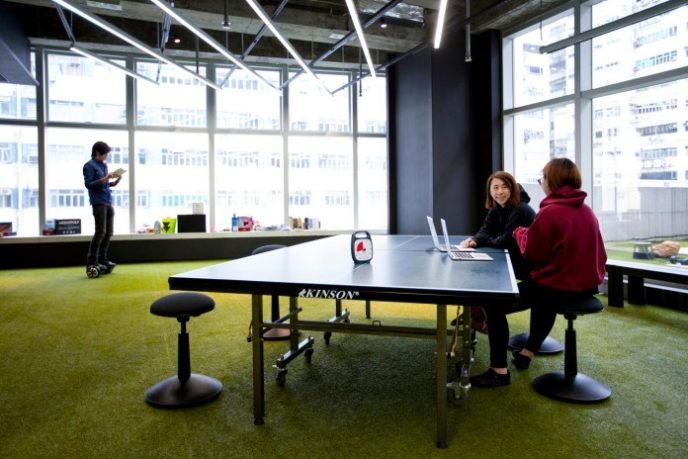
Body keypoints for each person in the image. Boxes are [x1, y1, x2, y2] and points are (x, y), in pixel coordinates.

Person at [470, 158, 606, 387]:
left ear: (551, 181)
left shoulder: (550, 212)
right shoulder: (587, 211)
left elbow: (533, 254)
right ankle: (528, 352)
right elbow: (600, 252)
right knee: (539, 291)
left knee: (493, 304)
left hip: (558, 288)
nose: (541, 182)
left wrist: (522, 234)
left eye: (542, 178)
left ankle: (499, 371)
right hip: (585, 287)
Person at [456, 171, 535, 387]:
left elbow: (504, 242)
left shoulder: (522, 211)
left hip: (536, 277)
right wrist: (474, 240)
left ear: (512, 188)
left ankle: (499, 372)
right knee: (481, 282)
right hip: (517, 269)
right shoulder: (496, 210)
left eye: (503, 187)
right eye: (494, 188)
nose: (499, 192)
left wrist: (485, 240)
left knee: (494, 304)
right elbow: (485, 232)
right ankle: (476, 313)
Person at [83, 141, 121, 271]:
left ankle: (103, 259)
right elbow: (89, 184)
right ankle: (92, 262)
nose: (106, 156)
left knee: (109, 232)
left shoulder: (104, 166)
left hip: (108, 201)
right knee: (100, 232)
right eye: (105, 153)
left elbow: (104, 184)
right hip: (98, 202)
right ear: (98, 152)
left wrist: (114, 182)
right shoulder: (89, 166)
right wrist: (104, 179)